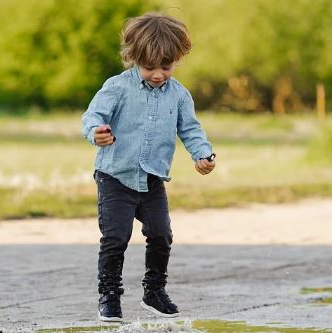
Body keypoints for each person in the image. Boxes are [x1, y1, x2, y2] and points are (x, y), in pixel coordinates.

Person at [81, 12, 216, 322]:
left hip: (153, 178)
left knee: (161, 234)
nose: (158, 74)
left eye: (166, 67)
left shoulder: (179, 94)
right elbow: (92, 117)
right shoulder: (117, 87)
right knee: (115, 237)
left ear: (176, 61)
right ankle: (110, 296)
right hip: (115, 176)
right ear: (133, 58)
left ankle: (154, 292)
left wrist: (204, 155)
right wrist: (96, 132)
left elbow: (191, 129)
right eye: (150, 67)